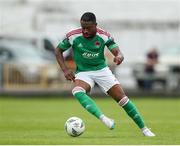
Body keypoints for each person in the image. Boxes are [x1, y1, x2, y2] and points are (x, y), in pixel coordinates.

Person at [55, 12, 155, 137]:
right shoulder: (73, 36)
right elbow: (58, 50)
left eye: (88, 28)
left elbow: (117, 51)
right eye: (83, 27)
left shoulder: (103, 35)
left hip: (101, 71)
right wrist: (65, 70)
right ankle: (103, 118)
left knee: (123, 99)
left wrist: (119, 56)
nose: (85, 31)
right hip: (83, 72)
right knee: (77, 91)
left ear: (95, 25)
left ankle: (145, 129)